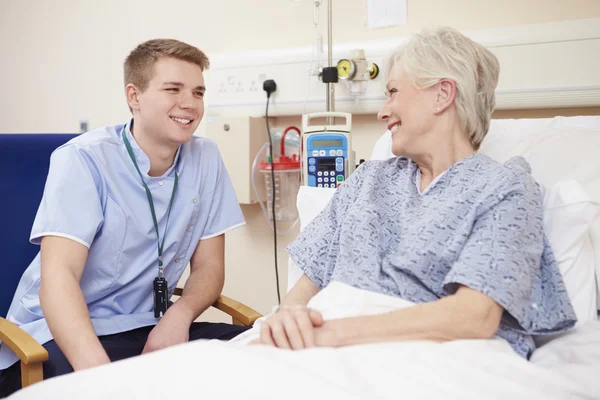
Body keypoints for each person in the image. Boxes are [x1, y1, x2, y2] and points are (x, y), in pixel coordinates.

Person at [256, 27, 577, 359]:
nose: (382, 112)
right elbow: (305, 288)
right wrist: (286, 322)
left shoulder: (503, 187)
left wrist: (332, 335)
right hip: (319, 347)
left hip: (425, 356)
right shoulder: (368, 180)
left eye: (393, 92)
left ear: (442, 94)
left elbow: (474, 316)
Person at [0, 38, 249, 396]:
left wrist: (179, 317)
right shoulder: (84, 160)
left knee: (260, 353)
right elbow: (59, 278)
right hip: (59, 335)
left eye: (198, 92)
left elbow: (210, 268)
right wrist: (101, 379)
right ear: (134, 97)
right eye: (173, 89)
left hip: (151, 326)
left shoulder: (206, 158)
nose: (189, 104)